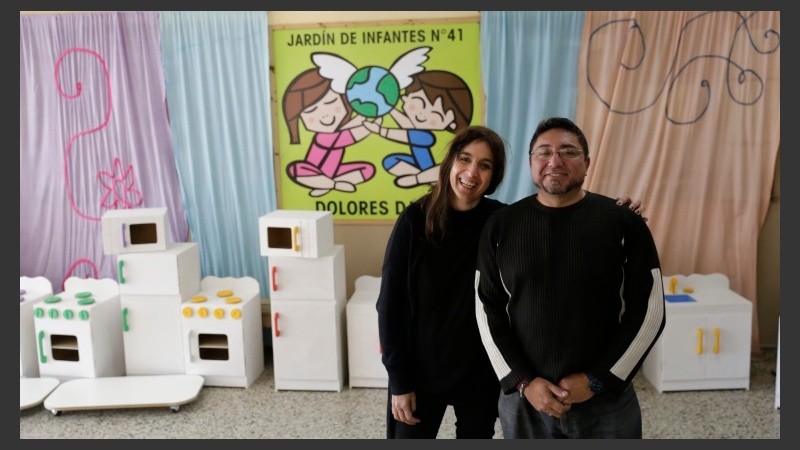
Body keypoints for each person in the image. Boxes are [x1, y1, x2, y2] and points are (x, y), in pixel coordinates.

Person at [377, 124, 646, 439]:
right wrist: (400, 381)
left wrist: (619, 212)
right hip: (420, 373)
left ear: (495, 176)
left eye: (485, 165)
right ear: (449, 163)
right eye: (464, 159)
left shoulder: (501, 222)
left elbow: (552, 220)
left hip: (480, 374)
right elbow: (390, 305)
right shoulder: (414, 221)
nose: (472, 172)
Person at [474, 117, 666, 439]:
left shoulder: (624, 224)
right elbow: (486, 307)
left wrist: (598, 379)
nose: (555, 161)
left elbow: (650, 310)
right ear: (531, 162)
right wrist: (523, 381)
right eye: (543, 152)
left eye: (568, 152)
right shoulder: (501, 227)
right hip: (526, 401)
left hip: (607, 402)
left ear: (587, 163)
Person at [364, 70, 473, 188]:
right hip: (421, 166)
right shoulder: (417, 131)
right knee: (390, 161)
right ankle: (427, 178)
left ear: (451, 123)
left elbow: (406, 134)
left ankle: (418, 178)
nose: (422, 115)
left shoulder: (427, 137)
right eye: (418, 102)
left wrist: (381, 131)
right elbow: (407, 126)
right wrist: (390, 108)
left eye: (435, 114)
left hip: (437, 169)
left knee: (446, 168)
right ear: (406, 98)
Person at [282, 68, 378, 197]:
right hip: (312, 171)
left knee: (368, 169)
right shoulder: (323, 137)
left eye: (331, 102)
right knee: (295, 169)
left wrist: (366, 115)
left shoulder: (335, 133)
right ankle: (333, 184)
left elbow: (347, 128)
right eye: (311, 111)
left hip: (334, 172)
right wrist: (371, 127)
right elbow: (350, 136)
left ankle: (325, 183)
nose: (326, 116)